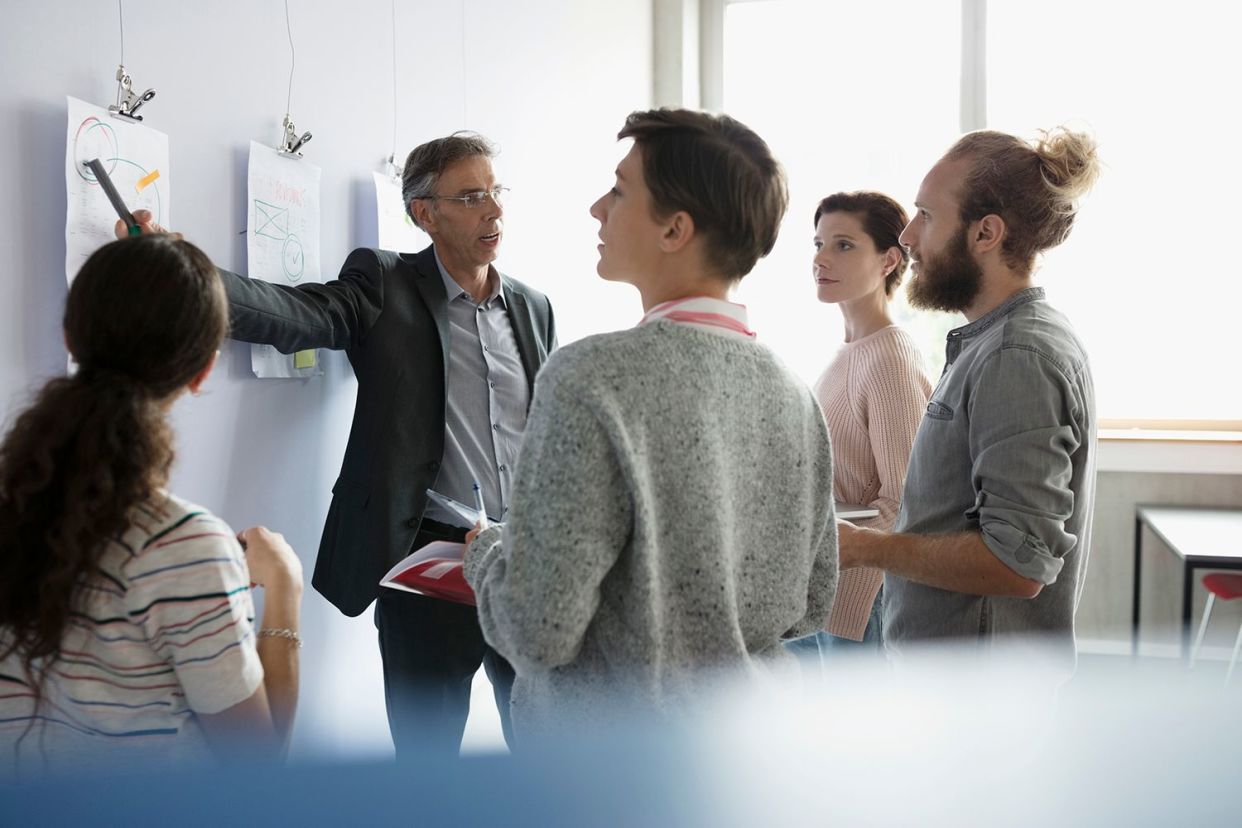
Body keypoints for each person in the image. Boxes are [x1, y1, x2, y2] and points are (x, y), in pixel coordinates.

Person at [122, 132, 556, 757]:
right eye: (470, 197)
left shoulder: (534, 309)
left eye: (495, 192)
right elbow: (294, 315)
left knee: (545, 752)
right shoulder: (385, 283)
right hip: (428, 566)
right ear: (424, 213)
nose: (493, 211)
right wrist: (183, 269)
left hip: (524, 563)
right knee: (425, 769)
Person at [462, 109, 838, 743]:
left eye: (618, 189)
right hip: (748, 753)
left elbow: (537, 631)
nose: (596, 209)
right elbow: (812, 601)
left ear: (674, 228)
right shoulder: (795, 394)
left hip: (606, 771)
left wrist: (488, 553)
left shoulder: (589, 377)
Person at [0, 235, 301, 772]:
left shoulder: (12, 505)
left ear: (71, 337)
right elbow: (256, 769)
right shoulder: (188, 547)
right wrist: (283, 586)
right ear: (204, 370)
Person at [836, 127, 1101, 669]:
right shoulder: (991, 345)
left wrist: (866, 547)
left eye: (927, 216)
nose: (908, 236)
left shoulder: (1017, 355)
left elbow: (1016, 564)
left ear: (986, 233)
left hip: (978, 706)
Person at [790, 192, 930, 659]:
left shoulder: (890, 358)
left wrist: (846, 583)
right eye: (818, 244)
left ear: (890, 259)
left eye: (843, 245)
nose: (821, 259)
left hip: (859, 600)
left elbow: (906, 500)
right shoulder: (849, 352)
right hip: (824, 588)